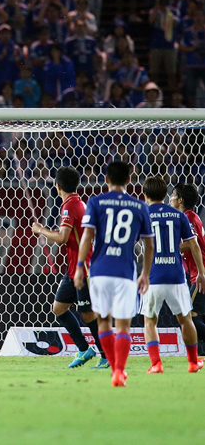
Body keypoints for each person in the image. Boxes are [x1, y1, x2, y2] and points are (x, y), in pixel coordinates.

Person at [74, 160, 155, 387]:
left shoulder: (95, 202)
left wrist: (80, 267)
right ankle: (119, 371)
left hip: (99, 271)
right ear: (129, 180)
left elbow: (87, 237)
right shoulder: (139, 206)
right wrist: (145, 274)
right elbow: (149, 245)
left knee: (103, 321)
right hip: (124, 272)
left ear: (106, 179)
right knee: (123, 326)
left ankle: (113, 370)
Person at [32, 166, 108, 369]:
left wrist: (41, 230)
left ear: (57, 186)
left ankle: (105, 355)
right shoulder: (79, 202)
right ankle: (84, 349)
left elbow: (63, 237)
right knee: (59, 308)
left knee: (88, 314)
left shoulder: (70, 206)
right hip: (74, 268)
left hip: (84, 269)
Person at [140, 176, 205, 374]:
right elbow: (194, 244)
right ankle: (193, 362)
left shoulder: (143, 214)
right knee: (186, 319)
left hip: (153, 276)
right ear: (164, 194)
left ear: (146, 194)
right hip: (176, 276)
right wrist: (201, 272)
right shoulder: (180, 216)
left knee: (150, 321)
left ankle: (156, 364)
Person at [172, 183, 205, 351]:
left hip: (200, 273)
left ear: (181, 200)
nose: (170, 199)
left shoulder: (188, 218)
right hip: (197, 272)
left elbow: (193, 243)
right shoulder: (191, 216)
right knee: (196, 315)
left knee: (188, 316)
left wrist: (169, 248)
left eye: (173, 195)